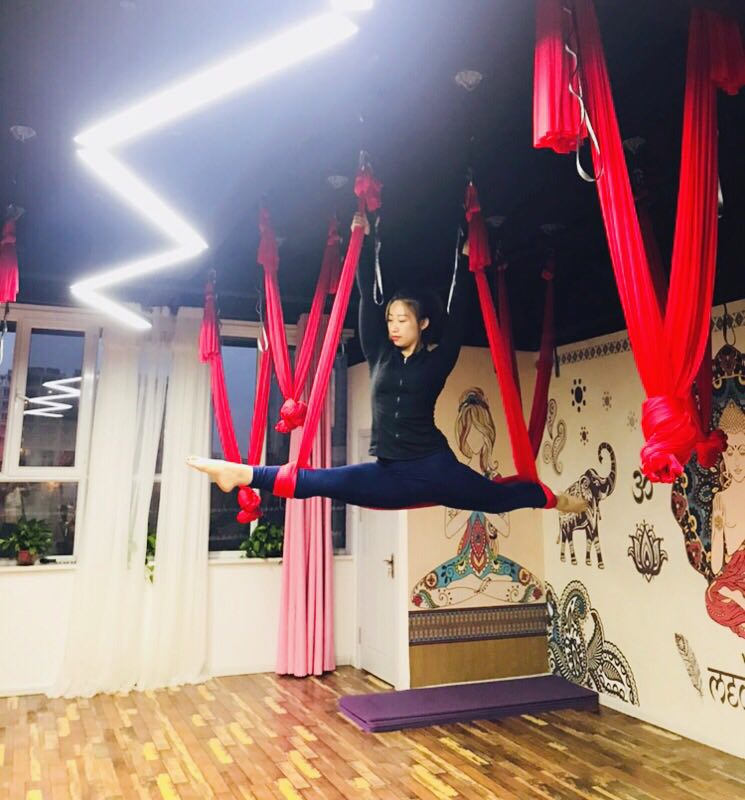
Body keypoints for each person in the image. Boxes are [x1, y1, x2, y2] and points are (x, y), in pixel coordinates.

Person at [187, 212, 586, 515]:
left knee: (497, 501)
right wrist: (361, 240)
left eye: (403, 320)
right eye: (391, 319)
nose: (393, 326)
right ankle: (240, 473)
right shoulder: (379, 353)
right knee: (318, 481)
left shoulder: (437, 361)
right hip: (388, 473)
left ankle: (554, 499)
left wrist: (465, 262)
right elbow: (365, 296)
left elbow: (458, 315)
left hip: (436, 469)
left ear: (422, 324)